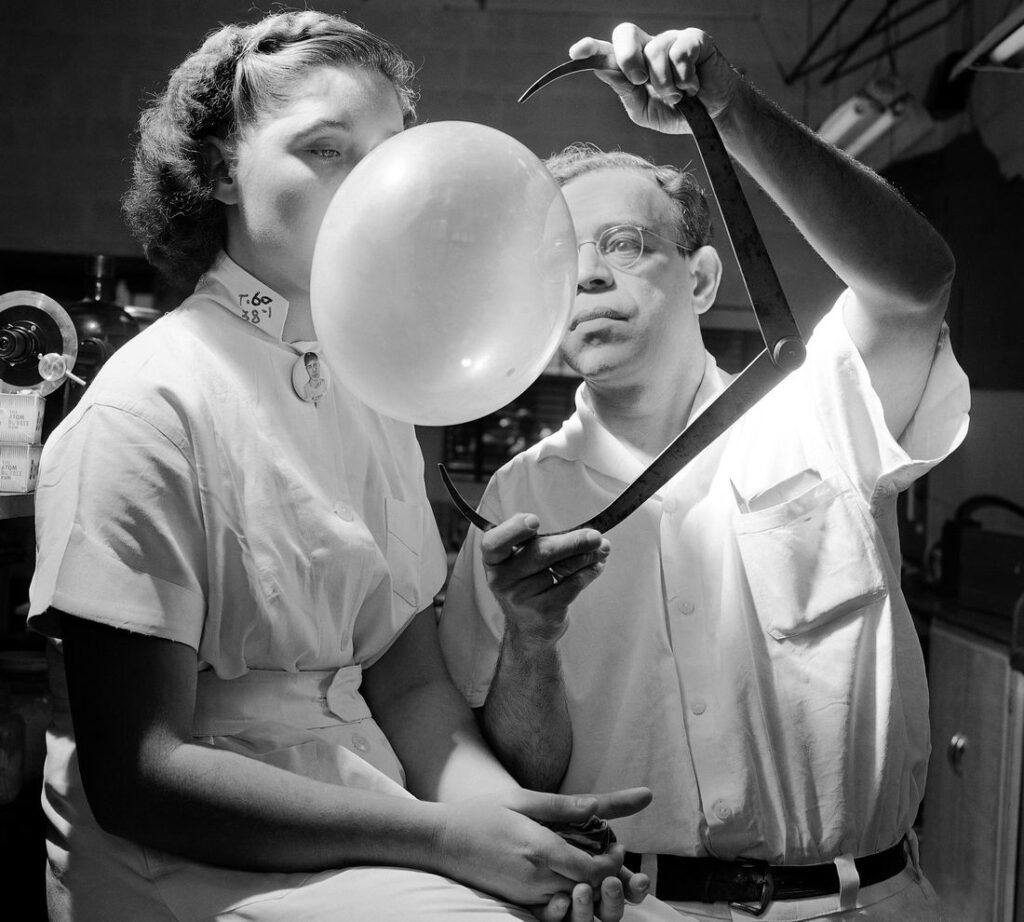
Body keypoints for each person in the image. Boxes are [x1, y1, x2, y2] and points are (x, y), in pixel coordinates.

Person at [25, 11, 676, 922]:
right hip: (188, 852)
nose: (372, 190)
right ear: (218, 171)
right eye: (327, 151)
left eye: (386, 156)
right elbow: (142, 773)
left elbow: (406, 677)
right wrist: (449, 841)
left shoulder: (368, 395)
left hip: (372, 805)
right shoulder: (147, 403)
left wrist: (502, 812)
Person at [439, 22, 970, 922]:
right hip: (631, 908)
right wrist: (530, 638)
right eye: (564, 263)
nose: (589, 281)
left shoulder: (820, 411)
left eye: (622, 245)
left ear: (701, 278)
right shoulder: (518, 501)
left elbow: (916, 282)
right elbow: (525, 777)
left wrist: (729, 110)